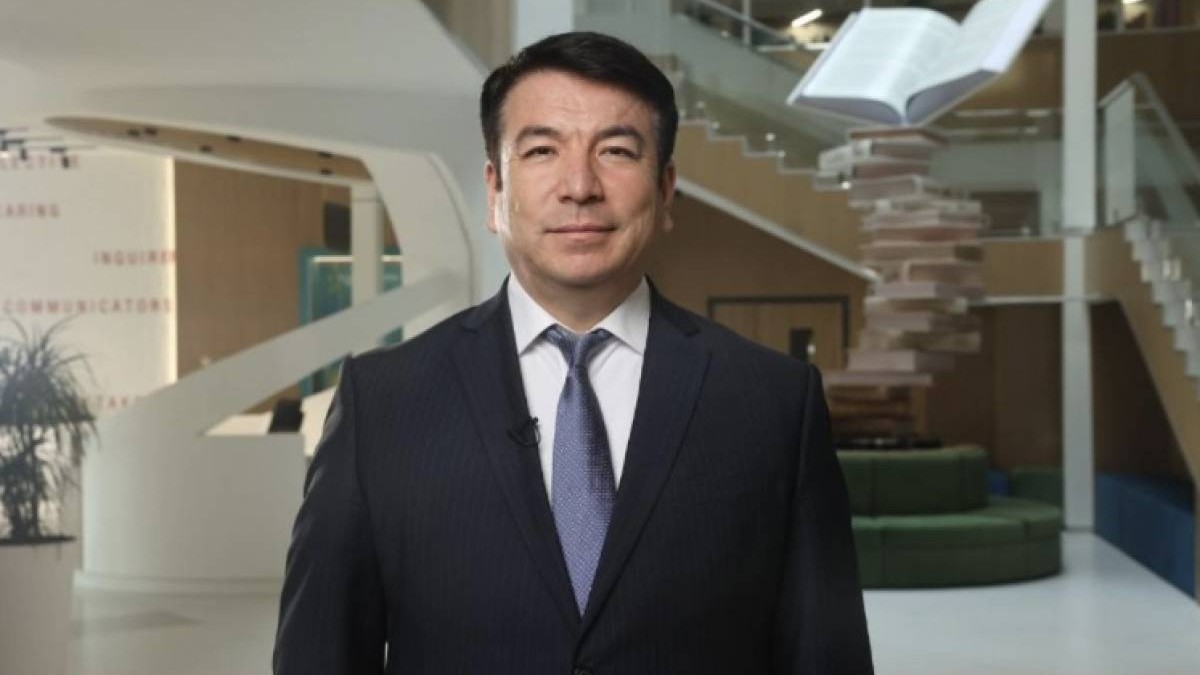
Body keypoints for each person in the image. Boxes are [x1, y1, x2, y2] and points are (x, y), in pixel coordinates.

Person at [273, 31, 873, 674]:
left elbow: (825, 656)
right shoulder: (383, 401)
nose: (580, 186)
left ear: (666, 189)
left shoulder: (774, 402)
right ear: (494, 192)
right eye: (541, 150)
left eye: (616, 150)